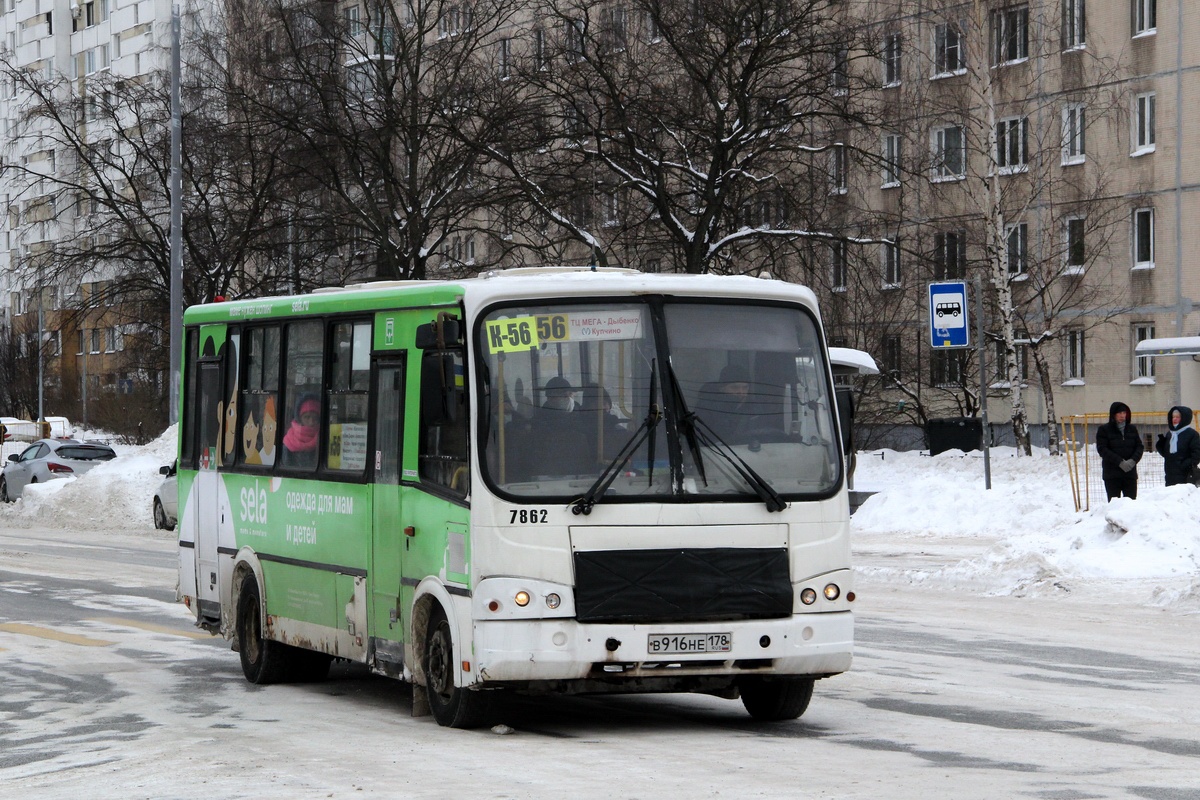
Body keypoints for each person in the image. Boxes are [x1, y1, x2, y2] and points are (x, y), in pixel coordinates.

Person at [1095, 401, 1143, 500]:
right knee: (1114, 505)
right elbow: (1102, 449)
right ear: (1113, 414)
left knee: (1130, 503)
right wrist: (1120, 462)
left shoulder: (1132, 429)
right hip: (1112, 475)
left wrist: (1133, 461)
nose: (1122, 415)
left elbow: (1139, 446)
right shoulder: (1104, 430)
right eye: (1119, 413)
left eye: (1124, 413)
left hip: (1129, 474)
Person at [1155, 405, 1200, 487]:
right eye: (1173, 417)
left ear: (1184, 418)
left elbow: (1197, 454)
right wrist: (1161, 445)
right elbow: (1167, 455)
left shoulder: (1192, 434)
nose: (1174, 419)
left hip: (1186, 476)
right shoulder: (1170, 434)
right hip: (1170, 475)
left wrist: (1184, 465)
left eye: (1178, 417)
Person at [283, 397, 320, 466]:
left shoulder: (324, 439)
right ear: (299, 419)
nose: (311, 422)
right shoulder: (290, 440)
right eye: (307, 417)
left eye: (315, 417)